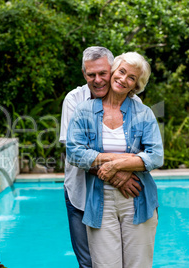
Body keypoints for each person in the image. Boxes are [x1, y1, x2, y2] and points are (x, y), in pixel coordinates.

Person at [66, 52, 163, 268]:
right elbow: (73, 152)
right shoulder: (84, 110)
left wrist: (115, 165)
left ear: (136, 86)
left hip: (138, 199)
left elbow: (156, 156)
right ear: (113, 72)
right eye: (121, 72)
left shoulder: (143, 113)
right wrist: (120, 159)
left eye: (132, 78)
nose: (123, 79)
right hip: (99, 202)